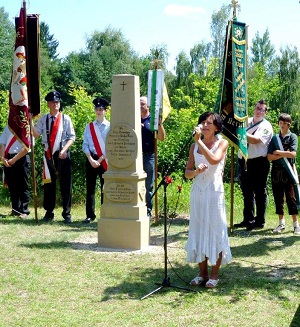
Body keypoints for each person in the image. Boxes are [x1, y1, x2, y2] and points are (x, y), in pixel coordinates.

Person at [185, 112, 231, 288]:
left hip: (214, 191)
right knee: (199, 228)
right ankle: (201, 273)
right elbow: (187, 172)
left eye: (208, 123)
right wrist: (195, 172)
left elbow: (214, 159)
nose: (204, 125)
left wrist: (199, 142)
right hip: (198, 191)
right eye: (202, 122)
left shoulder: (222, 143)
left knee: (215, 230)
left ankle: (214, 275)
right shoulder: (193, 147)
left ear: (216, 127)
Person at [30, 91, 75, 223]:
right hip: (48, 155)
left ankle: (67, 214)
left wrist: (64, 150)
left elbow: (72, 137)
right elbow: (36, 135)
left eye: (57, 102)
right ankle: (49, 212)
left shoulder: (65, 118)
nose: (55, 104)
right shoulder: (43, 118)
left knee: (66, 185)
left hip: (63, 154)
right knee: (49, 184)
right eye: (53, 102)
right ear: (48, 104)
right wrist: (30, 122)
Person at [234, 99, 273, 231]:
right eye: (257, 108)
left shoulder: (266, 126)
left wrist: (239, 133)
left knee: (259, 192)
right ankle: (248, 219)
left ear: (265, 112)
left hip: (259, 162)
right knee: (247, 191)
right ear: (254, 109)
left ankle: (259, 221)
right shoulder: (245, 121)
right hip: (244, 160)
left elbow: (256, 140)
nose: (259, 111)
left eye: (262, 109)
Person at [267, 113, 300, 235]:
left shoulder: (293, 137)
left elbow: (293, 154)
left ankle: (296, 225)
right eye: (279, 122)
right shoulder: (275, 138)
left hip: (289, 171)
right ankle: (281, 223)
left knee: (291, 198)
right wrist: (284, 153)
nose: (281, 125)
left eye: (283, 123)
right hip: (276, 171)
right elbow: (269, 157)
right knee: (278, 198)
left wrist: (279, 153)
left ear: (288, 124)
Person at [82, 97, 110, 223]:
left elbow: (111, 145)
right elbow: (85, 144)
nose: (98, 111)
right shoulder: (89, 127)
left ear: (105, 111)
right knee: (90, 188)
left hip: (105, 160)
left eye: (100, 109)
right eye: (96, 109)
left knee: (105, 188)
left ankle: (105, 213)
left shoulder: (110, 126)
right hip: (91, 159)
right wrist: (91, 159)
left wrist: (100, 159)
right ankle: (90, 215)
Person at [140, 96, 166, 217]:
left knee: (148, 186)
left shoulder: (152, 119)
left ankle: (148, 210)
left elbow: (161, 138)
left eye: (143, 104)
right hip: (135, 157)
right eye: (139, 104)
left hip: (149, 156)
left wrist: (159, 123)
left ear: (148, 105)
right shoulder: (133, 118)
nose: (140, 106)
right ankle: (137, 208)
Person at [0, 125, 30, 218]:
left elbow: (26, 147)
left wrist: (14, 159)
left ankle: (24, 210)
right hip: (8, 158)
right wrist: (2, 158)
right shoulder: (8, 127)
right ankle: (15, 209)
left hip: (22, 158)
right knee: (12, 185)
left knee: (23, 185)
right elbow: (2, 143)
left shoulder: (26, 128)